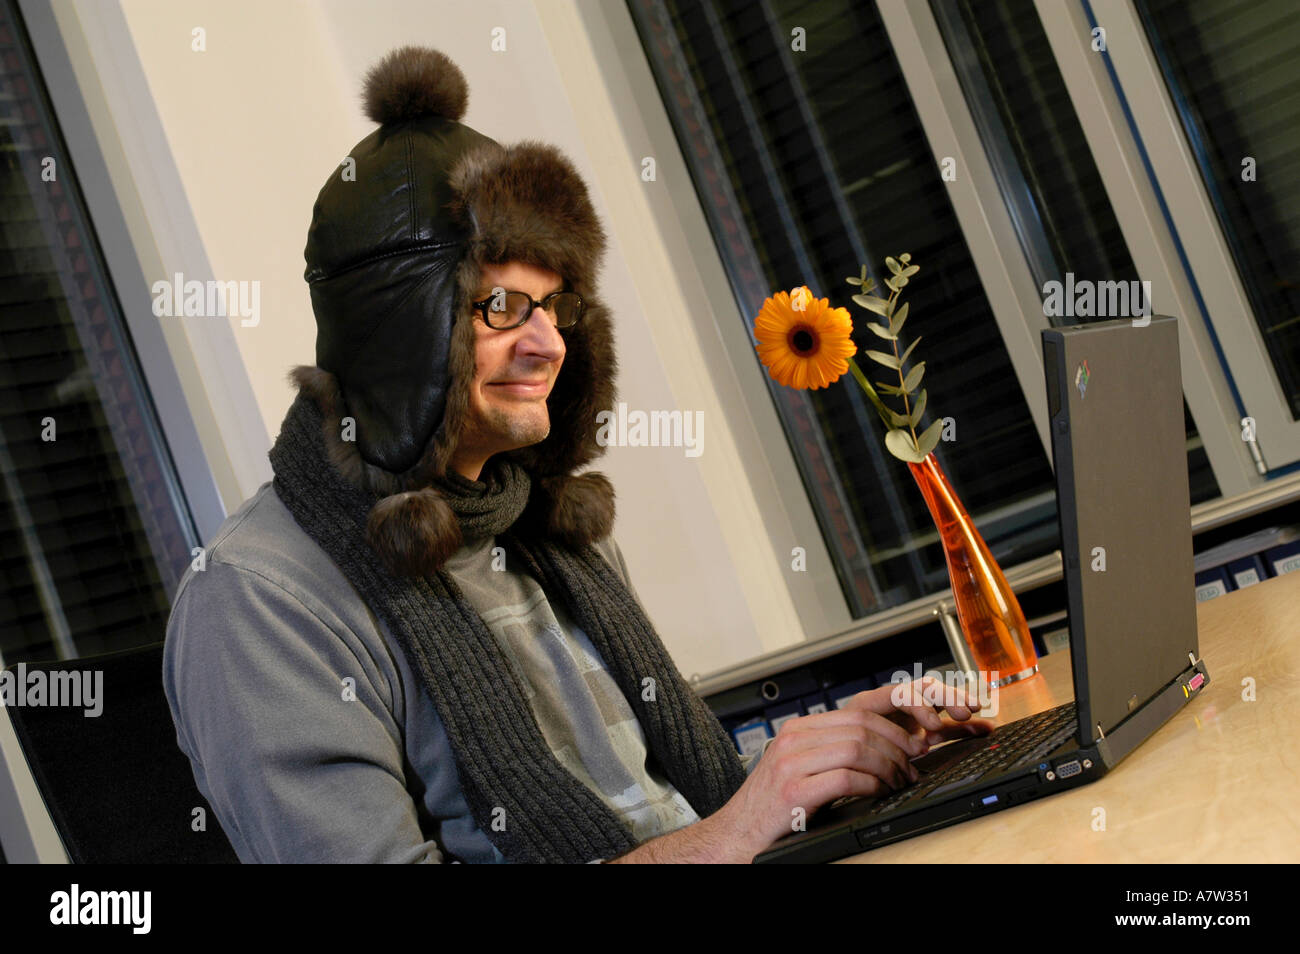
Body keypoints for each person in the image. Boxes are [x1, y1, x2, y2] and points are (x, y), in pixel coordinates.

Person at [162, 45, 992, 864]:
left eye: (556, 305)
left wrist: (823, 770)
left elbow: (664, 818)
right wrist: (741, 828)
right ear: (397, 332)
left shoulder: (542, 523)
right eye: (499, 306)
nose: (547, 344)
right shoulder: (257, 602)